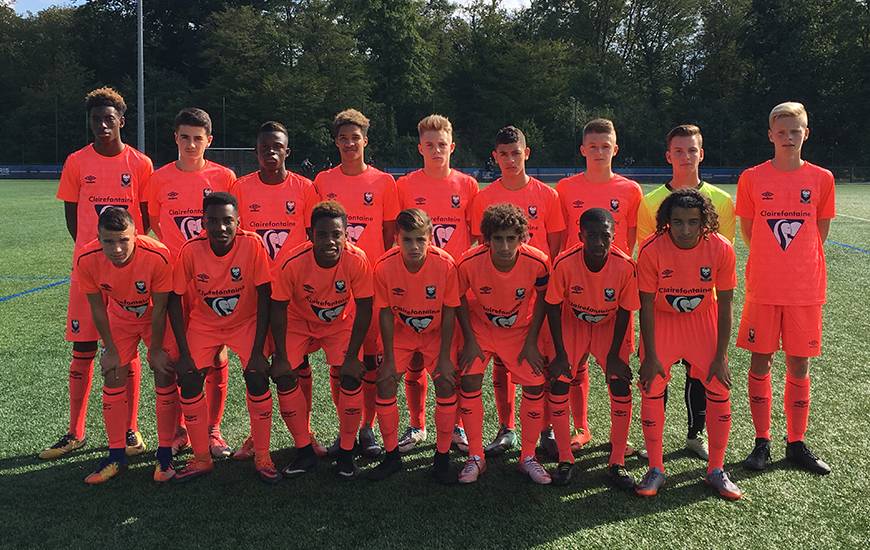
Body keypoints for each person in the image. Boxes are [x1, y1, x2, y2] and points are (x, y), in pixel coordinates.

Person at [42, 87, 152, 460]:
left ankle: (130, 428)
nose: (103, 125)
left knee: (127, 349)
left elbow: (146, 218)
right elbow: (72, 215)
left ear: (122, 120)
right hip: (88, 269)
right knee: (84, 348)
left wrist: (122, 252)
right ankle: (75, 431)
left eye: (110, 118)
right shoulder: (76, 162)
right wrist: (94, 254)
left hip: (128, 268)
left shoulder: (140, 164)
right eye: (96, 119)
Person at [737, 102, 834, 475]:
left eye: (796, 131)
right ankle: (761, 441)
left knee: (799, 363)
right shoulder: (752, 178)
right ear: (771, 135)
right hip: (763, 286)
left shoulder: (822, 178)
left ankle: (795, 442)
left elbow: (818, 232)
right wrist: (773, 261)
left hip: (805, 289)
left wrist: (795, 264)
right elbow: (749, 231)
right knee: (760, 360)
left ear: (806, 133)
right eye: (782, 131)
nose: (789, 137)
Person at [635, 124, 737, 461]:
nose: (686, 156)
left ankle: (696, 434)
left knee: (701, 373)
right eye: (679, 150)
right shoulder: (650, 202)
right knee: (656, 375)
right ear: (668, 156)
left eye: (692, 150)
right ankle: (656, 448)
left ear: (701, 153)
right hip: (663, 306)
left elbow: (721, 257)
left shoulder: (722, 201)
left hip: (702, 308)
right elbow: (650, 255)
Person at [635, 189, 741, 500]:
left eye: (692, 222)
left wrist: (721, 356)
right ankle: (655, 468)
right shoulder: (652, 249)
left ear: (704, 222)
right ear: (666, 222)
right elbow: (646, 304)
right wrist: (651, 355)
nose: (684, 229)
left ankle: (716, 469)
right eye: (677, 222)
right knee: (652, 385)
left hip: (702, 322)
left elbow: (726, 303)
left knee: (718, 387)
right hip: (663, 322)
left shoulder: (720, 248)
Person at [468, 126, 565, 457]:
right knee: (500, 364)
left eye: (516, 152)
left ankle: (547, 429)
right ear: (495, 157)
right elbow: (480, 249)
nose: (510, 160)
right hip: (498, 297)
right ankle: (507, 428)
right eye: (503, 154)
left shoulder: (548, 196)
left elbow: (555, 249)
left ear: (527, 153)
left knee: (543, 364)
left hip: (538, 296)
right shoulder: (483, 198)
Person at [230, 121, 323, 460]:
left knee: (298, 363)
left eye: (277, 146)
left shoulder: (306, 188)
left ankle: (307, 432)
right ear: (256, 152)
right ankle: (258, 436)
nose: (270, 151)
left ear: (288, 151)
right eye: (264, 146)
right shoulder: (240, 188)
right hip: (253, 291)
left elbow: (316, 238)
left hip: (295, 293)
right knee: (254, 365)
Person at [147, 107, 236, 458]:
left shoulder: (225, 176)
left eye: (198, 138)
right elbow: (153, 221)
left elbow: (230, 226)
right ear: (175, 138)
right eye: (184, 137)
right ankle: (182, 428)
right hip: (172, 279)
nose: (190, 144)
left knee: (216, 351)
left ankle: (213, 430)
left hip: (214, 279)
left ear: (209, 141)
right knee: (176, 353)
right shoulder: (159, 179)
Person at [168, 192, 276, 483]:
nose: (221, 228)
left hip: (246, 322)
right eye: (213, 221)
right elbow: (175, 299)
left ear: (238, 221)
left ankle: (263, 457)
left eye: (228, 221)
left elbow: (266, 295)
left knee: (256, 375)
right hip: (205, 324)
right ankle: (202, 459)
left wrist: (258, 350)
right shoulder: (191, 250)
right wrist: (184, 352)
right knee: (189, 379)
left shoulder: (252, 244)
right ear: (203, 222)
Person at [313, 109, 399, 457]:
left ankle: (368, 429)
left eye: (356, 137)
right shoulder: (323, 181)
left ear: (366, 140)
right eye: (343, 138)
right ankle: (346, 426)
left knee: (371, 360)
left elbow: (388, 233)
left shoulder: (384, 183)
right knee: (341, 363)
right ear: (336, 141)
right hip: (336, 287)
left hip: (371, 284)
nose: (350, 143)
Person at [554, 118, 643, 452]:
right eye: (593, 146)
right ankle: (581, 428)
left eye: (605, 146)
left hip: (613, 288)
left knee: (616, 367)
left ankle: (619, 439)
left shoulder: (630, 190)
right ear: (582, 149)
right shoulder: (565, 188)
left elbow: (628, 243)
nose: (599, 152)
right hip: (574, 289)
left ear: (615, 149)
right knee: (573, 367)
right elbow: (564, 238)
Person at [270, 201, 373, 480]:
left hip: (339, 324)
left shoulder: (357, 259)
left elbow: (364, 307)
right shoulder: (292, 262)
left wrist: (352, 357)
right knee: (285, 375)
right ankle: (304, 449)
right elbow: (277, 307)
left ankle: (347, 452)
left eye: (336, 234)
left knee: (351, 377)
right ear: (310, 235)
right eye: (322, 235)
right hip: (298, 322)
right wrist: (279, 356)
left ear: (346, 234)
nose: (330, 241)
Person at [393, 114, 478, 453]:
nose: (436, 150)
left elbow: (475, 237)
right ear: (419, 148)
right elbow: (397, 235)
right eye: (429, 145)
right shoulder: (404, 186)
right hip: (413, 286)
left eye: (442, 144)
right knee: (414, 359)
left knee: (450, 362)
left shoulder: (467, 186)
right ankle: (417, 425)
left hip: (453, 287)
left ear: (452, 146)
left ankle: (456, 427)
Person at [75, 207, 179, 483]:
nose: (117, 248)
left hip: (153, 316)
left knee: (165, 371)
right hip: (119, 317)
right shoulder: (86, 258)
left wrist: (155, 349)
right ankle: (116, 455)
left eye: (123, 240)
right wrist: (108, 349)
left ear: (136, 234)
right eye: (109, 241)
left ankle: (166, 454)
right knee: (113, 373)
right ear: (98, 238)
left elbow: (160, 308)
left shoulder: (157, 254)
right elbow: (98, 308)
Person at [456, 203, 553, 484]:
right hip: (481, 329)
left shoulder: (538, 261)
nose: (505, 245)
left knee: (535, 384)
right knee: (470, 380)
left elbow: (544, 299)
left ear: (522, 237)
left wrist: (533, 341)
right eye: (498, 238)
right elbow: (458, 298)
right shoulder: (468, 261)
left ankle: (528, 457)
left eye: (512, 238)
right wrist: (471, 341)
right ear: (487, 238)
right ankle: (476, 456)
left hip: (519, 332)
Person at [545, 208, 639, 488]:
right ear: (580, 236)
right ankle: (565, 459)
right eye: (592, 236)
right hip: (573, 321)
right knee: (560, 381)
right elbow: (551, 305)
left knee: (620, 383)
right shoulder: (564, 263)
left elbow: (625, 310)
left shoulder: (624, 265)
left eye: (605, 236)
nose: (599, 242)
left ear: (614, 236)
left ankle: (617, 461)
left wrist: (614, 356)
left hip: (609, 325)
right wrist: (560, 354)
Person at [368, 209, 460, 482]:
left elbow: (450, 310)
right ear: (396, 239)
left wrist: (444, 356)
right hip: (402, 333)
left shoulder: (445, 265)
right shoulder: (384, 266)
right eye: (407, 240)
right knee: (384, 382)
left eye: (420, 239)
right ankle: (392, 456)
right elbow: (384, 312)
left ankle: (442, 458)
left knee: (445, 381)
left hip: (436, 334)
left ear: (431, 238)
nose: (414, 246)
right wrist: (388, 358)